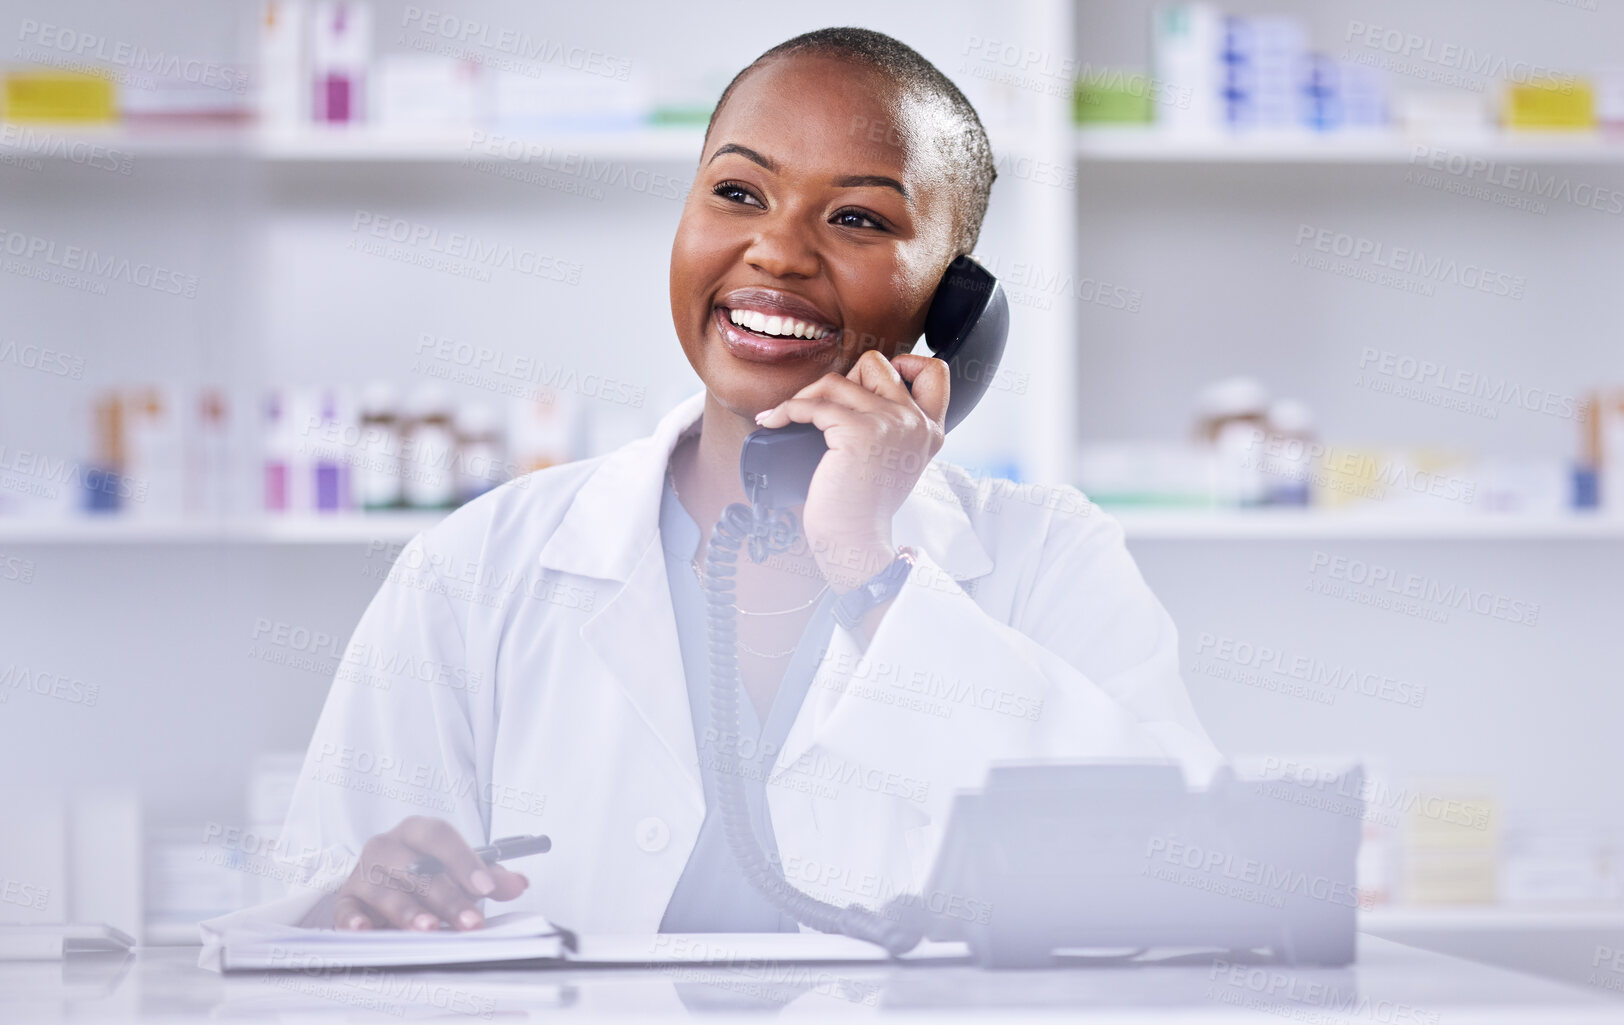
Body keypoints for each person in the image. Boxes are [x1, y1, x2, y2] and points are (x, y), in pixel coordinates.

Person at [244, 27, 1220, 936]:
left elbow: (1181, 882)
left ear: (956, 303)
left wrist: (870, 569)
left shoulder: (1044, 558)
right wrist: (353, 910)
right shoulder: (474, 571)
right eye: (739, 194)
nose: (779, 251)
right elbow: (317, 927)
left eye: (857, 217)